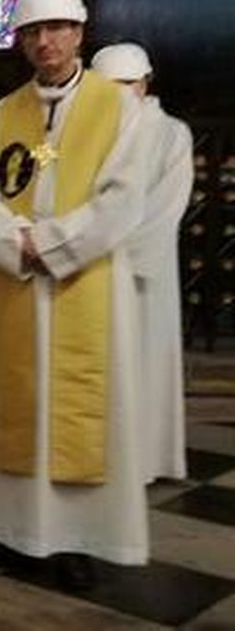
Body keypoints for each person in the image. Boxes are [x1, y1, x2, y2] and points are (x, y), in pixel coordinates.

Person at [0, 0, 149, 590]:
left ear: (79, 33)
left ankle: (74, 540)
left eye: (58, 29)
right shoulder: (2, 114)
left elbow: (123, 198)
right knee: (12, 404)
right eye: (33, 32)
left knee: (78, 410)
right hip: (14, 281)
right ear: (20, 42)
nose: (46, 42)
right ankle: (11, 531)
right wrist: (13, 244)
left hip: (85, 281)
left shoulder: (116, 107)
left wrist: (49, 244)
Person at [92, 43, 194, 483]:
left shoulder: (171, 133)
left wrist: (108, 250)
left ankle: (145, 459)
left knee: (143, 360)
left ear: (145, 84)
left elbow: (164, 208)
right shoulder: (89, 131)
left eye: (127, 86)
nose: (119, 96)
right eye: (108, 87)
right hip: (89, 268)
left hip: (137, 273)